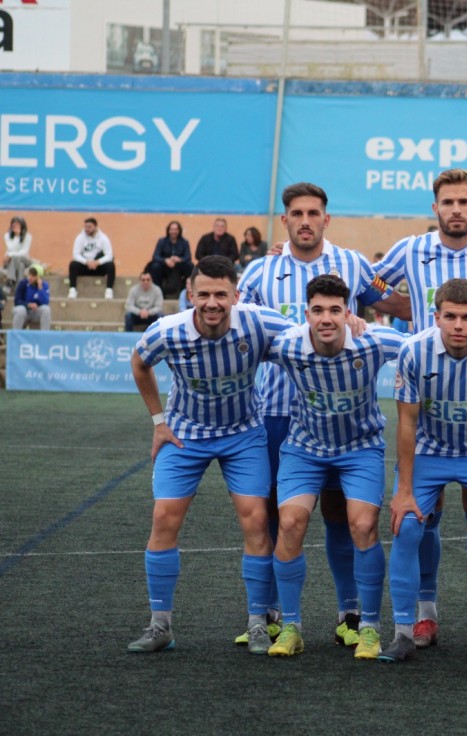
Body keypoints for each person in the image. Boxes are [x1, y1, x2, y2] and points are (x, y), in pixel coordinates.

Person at [237, 182, 410, 650]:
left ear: (326, 219)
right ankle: (272, 616)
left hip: (345, 419)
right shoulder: (261, 270)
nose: (306, 220)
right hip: (278, 412)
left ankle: (351, 613)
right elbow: (237, 327)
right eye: (297, 213)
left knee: (342, 514)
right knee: (276, 514)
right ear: (286, 220)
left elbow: (397, 303)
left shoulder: (353, 264)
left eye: (314, 212)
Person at [374, 168, 467, 652]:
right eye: (449, 202)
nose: (457, 209)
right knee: (419, 519)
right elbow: (371, 284)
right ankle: (422, 615)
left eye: (465, 202)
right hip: (430, 386)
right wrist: (409, 314)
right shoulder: (410, 249)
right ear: (435, 206)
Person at [126, 255, 291, 654]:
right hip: (184, 435)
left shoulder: (258, 321)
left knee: (256, 520)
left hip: (243, 435)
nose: (212, 303)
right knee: (164, 517)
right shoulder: (167, 331)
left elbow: (309, 339)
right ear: (190, 294)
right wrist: (158, 422)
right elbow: (139, 362)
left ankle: (257, 623)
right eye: (204, 294)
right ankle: (160, 624)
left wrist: (352, 324)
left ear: (236, 295)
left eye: (221, 294)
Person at [380, 278, 467, 664]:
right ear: (436, 317)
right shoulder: (413, 351)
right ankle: (406, 632)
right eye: (450, 317)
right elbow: (406, 424)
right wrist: (404, 490)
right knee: (407, 524)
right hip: (430, 450)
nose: (458, 325)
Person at [263, 274, 404, 659]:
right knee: (290, 522)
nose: (327, 319)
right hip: (305, 449)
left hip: (360, 449)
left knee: (362, 524)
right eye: (319, 310)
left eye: (335, 310)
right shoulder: (287, 345)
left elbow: (425, 347)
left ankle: (370, 628)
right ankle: (291, 626)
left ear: (349, 313)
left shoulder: (373, 341)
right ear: (306, 314)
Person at [68, 217, 115, 299]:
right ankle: (73, 289)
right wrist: (87, 262)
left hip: (98, 267)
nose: (87, 229)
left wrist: (97, 262)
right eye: (86, 227)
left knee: (111, 265)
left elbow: (109, 255)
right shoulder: (80, 237)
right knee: (73, 264)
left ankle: (109, 290)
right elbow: (76, 254)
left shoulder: (103, 238)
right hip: (85, 266)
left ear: (95, 227)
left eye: (89, 227)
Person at [148, 221, 192, 297]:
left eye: (176, 229)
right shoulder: (161, 241)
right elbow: (155, 256)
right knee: (155, 267)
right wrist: (165, 260)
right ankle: (159, 293)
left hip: (179, 267)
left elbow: (188, 257)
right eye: (172, 229)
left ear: (179, 231)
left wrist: (180, 259)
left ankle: (183, 292)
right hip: (165, 267)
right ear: (168, 230)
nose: (173, 232)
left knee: (190, 266)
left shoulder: (184, 242)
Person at [12, 265, 51, 331]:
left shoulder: (44, 285)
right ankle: (15, 335)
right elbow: (17, 301)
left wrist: (40, 288)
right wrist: (28, 304)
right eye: (29, 275)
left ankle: (45, 336)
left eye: (33, 276)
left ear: (39, 277)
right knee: (20, 310)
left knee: (46, 309)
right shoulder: (23, 283)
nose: (30, 277)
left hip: (35, 312)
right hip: (23, 311)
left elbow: (45, 302)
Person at [4, 216, 32, 285]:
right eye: (14, 225)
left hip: (25, 259)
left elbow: (24, 252)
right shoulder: (7, 236)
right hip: (13, 262)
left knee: (16, 258)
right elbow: (11, 248)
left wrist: (10, 255)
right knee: (20, 265)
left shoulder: (28, 236)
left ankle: (10, 278)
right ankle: (20, 283)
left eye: (18, 225)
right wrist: (16, 236)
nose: (16, 227)